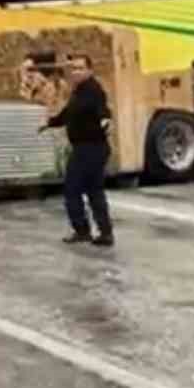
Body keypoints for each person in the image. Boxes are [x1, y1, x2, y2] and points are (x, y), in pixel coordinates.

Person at [43, 53, 114, 247]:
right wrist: (51, 123)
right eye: (73, 68)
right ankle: (103, 233)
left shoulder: (94, 89)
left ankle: (84, 231)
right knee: (93, 190)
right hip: (85, 148)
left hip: (91, 148)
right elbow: (68, 114)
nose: (76, 72)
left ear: (89, 70)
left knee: (73, 189)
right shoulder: (79, 91)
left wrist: (106, 119)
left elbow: (102, 108)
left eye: (80, 68)